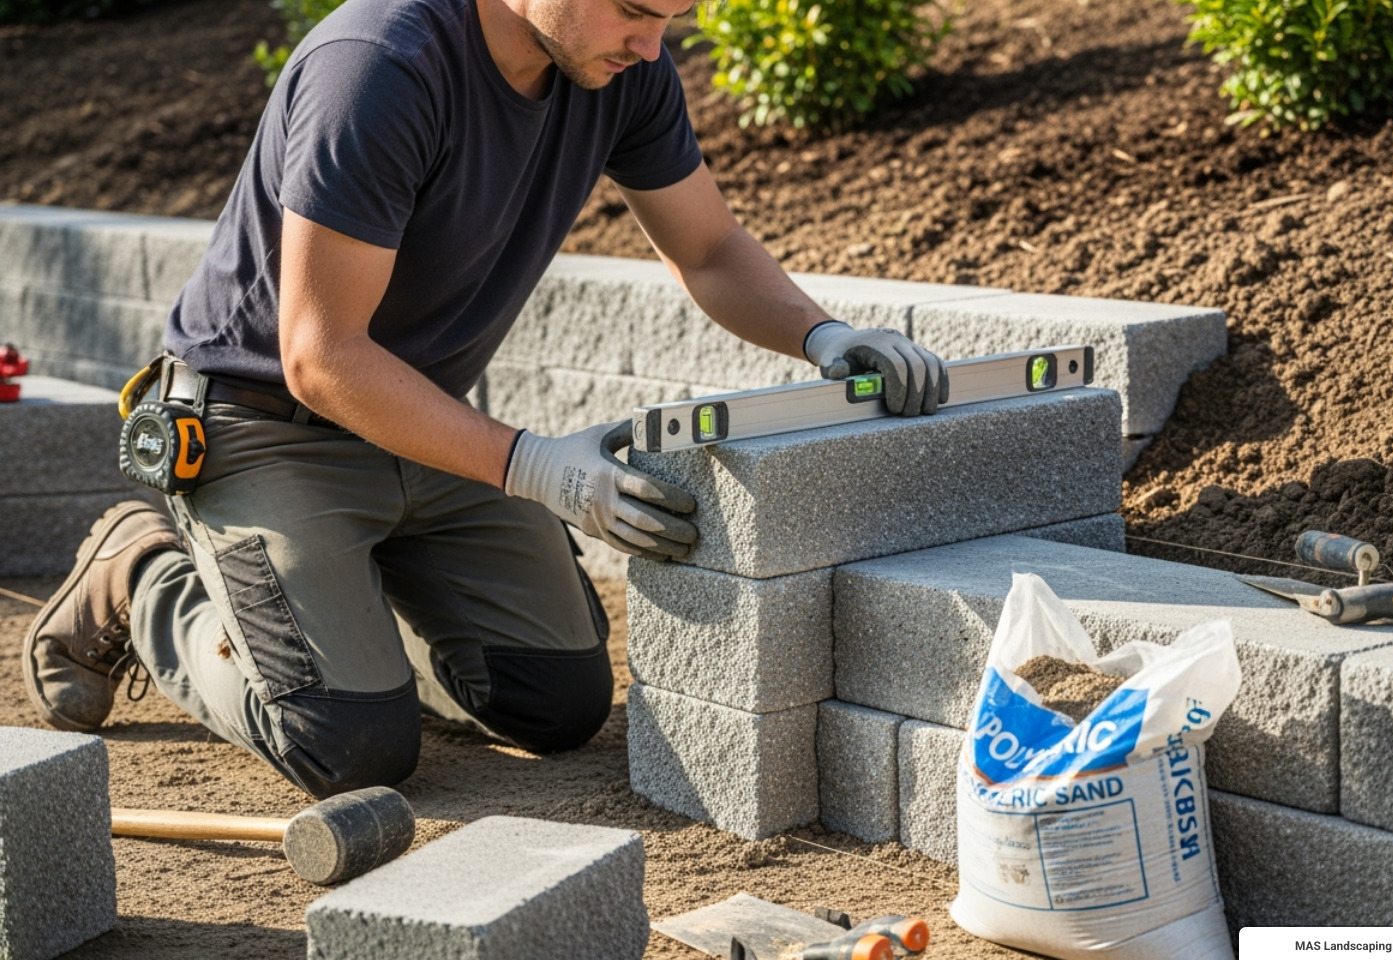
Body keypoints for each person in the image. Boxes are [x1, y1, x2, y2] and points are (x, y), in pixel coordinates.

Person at [22, 0, 948, 797]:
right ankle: (145, 575)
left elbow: (704, 250)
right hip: (268, 428)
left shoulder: (617, 70)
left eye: (672, 19)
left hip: (418, 420)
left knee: (556, 702)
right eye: (634, 10)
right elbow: (321, 355)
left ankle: (333, 624)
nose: (653, 46)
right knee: (348, 743)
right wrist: (533, 465)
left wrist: (825, 336)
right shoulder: (380, 68)